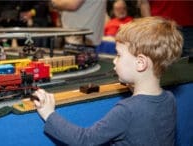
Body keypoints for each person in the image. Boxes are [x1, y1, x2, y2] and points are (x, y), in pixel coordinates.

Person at [33, 16, 183, 145]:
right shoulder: (169, 100)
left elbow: (85, 140)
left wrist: (49, 114)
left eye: (118, 55)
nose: (114, 61)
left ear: (140, 63)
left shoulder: (127, 110)